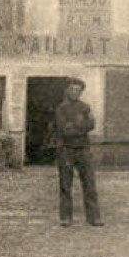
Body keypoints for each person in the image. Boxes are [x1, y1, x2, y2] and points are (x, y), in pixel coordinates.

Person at [54, 77, 102, 227]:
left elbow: (92, 124)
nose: (75, 92)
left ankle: (94, 218)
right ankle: (66, 218)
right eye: (72, 89)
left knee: (89, 184)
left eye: (78, 90)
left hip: (83, 149)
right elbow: (63, 129)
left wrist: (74, 126)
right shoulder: (61, 109)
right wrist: (81, 126)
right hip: (66, 150)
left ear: (81, 92)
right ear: (67, 91)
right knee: (65, 185)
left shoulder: (85, 107)